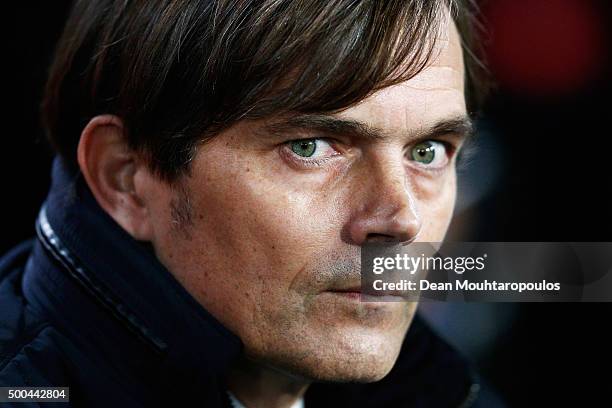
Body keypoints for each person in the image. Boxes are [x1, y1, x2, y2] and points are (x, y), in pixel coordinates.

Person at [0, 1, 486, 406]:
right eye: (310, 147)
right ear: (126, 178)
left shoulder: (441, 389)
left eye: (428, 151)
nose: (402, 219)